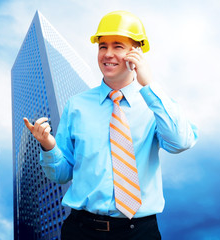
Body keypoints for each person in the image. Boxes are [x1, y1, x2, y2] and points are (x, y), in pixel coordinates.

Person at [23, 10, 198, 240]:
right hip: (81, 230)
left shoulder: (155, 104)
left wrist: (149, 84)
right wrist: (48, 145)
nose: (107, 54)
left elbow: (181, 142)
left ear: (136, 52)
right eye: (102, 46)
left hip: (139, 232)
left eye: (118, 46)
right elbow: (62, 174)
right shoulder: (76, 106)